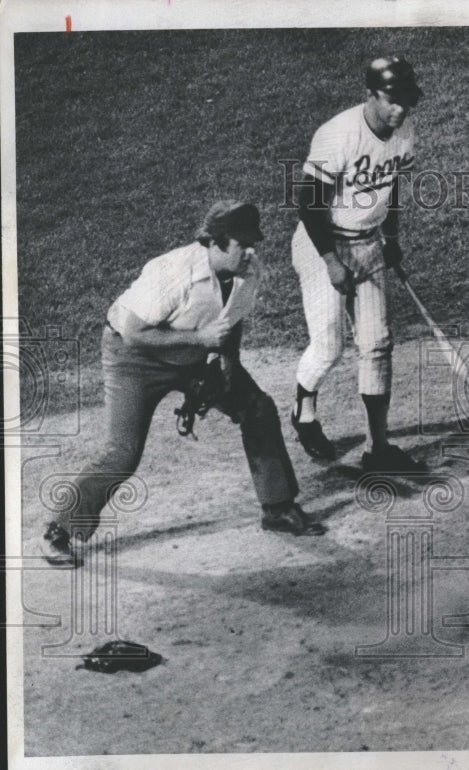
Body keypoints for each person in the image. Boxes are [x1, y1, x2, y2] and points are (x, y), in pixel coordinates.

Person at [40, 201, 325, 567]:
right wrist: (199, 341)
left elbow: (231, 319)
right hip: (134, 359)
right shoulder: (174, 271)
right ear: (216, 243)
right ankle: (58, 531)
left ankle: (278, 506)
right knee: (122, 452)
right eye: (243, 243)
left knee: (257, 407)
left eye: (254, 242)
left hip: (196, 353)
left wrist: (227, 359)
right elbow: (133, 331)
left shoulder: (249, 271)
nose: (252, 251)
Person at [289, 55, 426, 474]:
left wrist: (392, 240)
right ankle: (303, 410)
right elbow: (309, 203)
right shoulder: (338, 135)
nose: (399, 109)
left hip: (368, 244)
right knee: (329, 346)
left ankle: (377, 449)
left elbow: (395, 188)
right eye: (390, 99)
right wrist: (331, 261)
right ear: (370, 94)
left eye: (405, 100)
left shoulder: (406, 133)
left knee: (377, 345)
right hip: (321, 246)